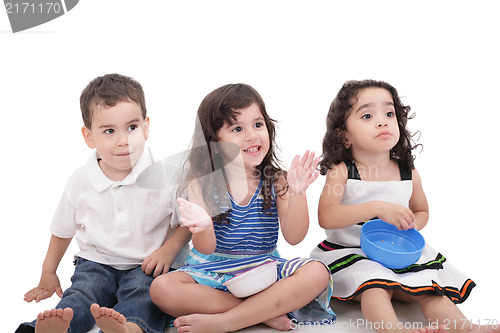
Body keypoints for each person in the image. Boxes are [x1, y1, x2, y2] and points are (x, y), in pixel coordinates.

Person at [310, 79, 496, 333]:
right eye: (367, 115)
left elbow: (422, 211)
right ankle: (395, 329)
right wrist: (376, 207)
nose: (382, 121)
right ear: (344, 135)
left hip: (396, 253)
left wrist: (411, 225)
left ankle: (467, 328)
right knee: (375, 287)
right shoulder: (342, 171)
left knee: (431, 290)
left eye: (389, 113)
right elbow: (327, 216)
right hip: (352, 254)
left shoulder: (408, 172)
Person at [149, 83, 335, 333]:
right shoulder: (203, 183)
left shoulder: (276, 180)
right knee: (162, 289)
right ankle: (261, 312)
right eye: (237, 128)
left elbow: (294, 237)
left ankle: (227, 320)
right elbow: (206, 247)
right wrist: (204, 225)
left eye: (258, 124)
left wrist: (298, 193)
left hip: (264, 268)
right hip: (214, 271)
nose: (252, 135)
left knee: (317, 272)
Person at [16, 74, 191, 333]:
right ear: (89, 137)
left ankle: (130, 328)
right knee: (83, 294)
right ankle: (54, 329)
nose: (123, 140)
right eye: (109, 131)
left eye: (132, 127)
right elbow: (62, 230)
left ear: (146, 127)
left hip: (147, 264)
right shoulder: (80, 181)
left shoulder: (165, 175)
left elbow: (188, 223)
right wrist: (48, 271)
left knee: (144, 294)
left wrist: (169, 249)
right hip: (96, 262)